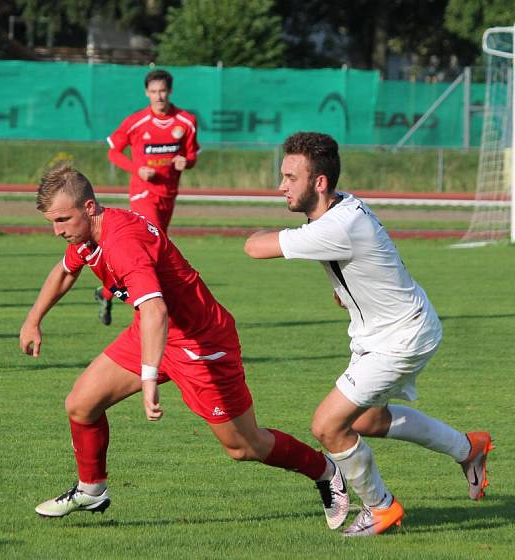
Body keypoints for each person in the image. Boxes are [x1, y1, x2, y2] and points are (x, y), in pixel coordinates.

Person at [19, 164, 350, 529]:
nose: (57, 230)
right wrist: (34, 319)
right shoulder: (86, 237)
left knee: (243, 446)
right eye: (52, 221)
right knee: (81, 406)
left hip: (202, 342)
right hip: (152, 332)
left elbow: (156, 309)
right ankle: (92, 488)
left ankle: (324, 470)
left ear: (90, 207)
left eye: (63, 219)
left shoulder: (122, 242)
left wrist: (148, 380)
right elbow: (66, 271)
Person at [245, 131, 494, 537]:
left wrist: (255, 233)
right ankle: (470, 448)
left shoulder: (337, 227)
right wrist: (351, 292)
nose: (281, 186)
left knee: (328, 425)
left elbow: (254, 248)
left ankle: (380, 508)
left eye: (291, 177)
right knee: (369, 420)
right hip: (387, 329)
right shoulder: (343, 206)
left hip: (401, 336)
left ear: (320, 182)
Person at [94, 69, 199, 326]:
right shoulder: (136, 121)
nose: (158, 96)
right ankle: (146, 312)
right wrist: (136, 169)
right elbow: (113, 153)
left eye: (162, 91)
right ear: (146, 93)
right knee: (151, 248)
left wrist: (186, 162)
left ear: (170, 91)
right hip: (143, 194)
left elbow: (191, 156)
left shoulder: (186, 121)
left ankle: (107, 291)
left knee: (155, 248)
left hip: (168, 195)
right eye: (153, 91)